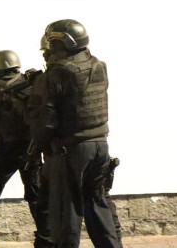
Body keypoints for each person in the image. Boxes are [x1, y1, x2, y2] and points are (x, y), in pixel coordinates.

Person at [27, 19, 121, 248]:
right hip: (100, 145)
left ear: (59, 43)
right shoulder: (99, 65)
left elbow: (45, 123)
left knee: (65, 214)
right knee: (98, 206)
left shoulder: (53, 75)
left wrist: (37, 147)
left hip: (70, 150)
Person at [0, 50, 49, 248]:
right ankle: (46, 241)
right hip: (33, 150)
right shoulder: (33, 84)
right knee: (37, 197)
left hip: (6, 151)